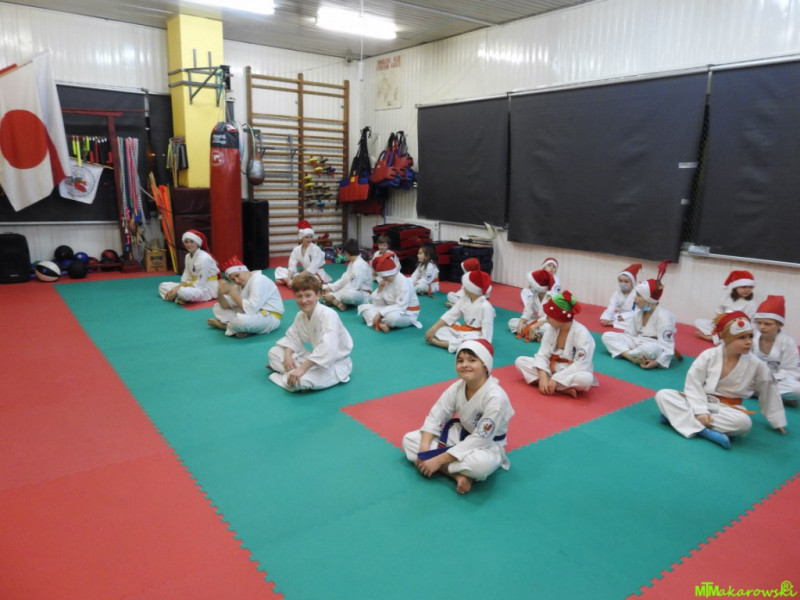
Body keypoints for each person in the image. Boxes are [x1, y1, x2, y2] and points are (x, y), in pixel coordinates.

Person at [655, 311, 787, 450]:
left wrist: (776, 419)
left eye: (750, 336)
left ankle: (677, 418)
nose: (749, 342)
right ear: (727, 339)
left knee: (743, 423)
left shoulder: (756, 364)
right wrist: (700, 411)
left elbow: (769, 388)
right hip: (700, 400)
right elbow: (693, 384)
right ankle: (705, 431)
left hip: (726, 409)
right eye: (742, 338)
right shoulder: (709, 355)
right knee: (663, 395)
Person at [401, 339, 514, 495]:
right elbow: (436, 416)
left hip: (486, 445)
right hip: (460, 434)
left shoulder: (496, 398)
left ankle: (441, 466)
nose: (464, 365)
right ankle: (457, 475)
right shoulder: (457, 387)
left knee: (479, 466)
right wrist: (423, 451)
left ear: (485, 365)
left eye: (472, 360)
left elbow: (481, 439)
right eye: (460, 361)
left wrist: (437, 460)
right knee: (409, 439)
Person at [266, 271, 353, 392]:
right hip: (317, 359)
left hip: (334, 364)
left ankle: (287, 375)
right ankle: (292, 373)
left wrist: (301, 369)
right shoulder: (300, 315)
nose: (303, 300)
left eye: (308, 295)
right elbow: (292, 337)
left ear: (318, 295)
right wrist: (287, 356)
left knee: (299, 382)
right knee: (274, 352)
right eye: (299, 296)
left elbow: (327, 348)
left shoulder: (328, 315)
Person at [514, 290, 597, 397]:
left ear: (560, 317)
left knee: (586, 379)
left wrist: (556, 378)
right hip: (551, 367)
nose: (546, 319)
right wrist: (543, 376)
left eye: (550, 316)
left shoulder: (581, 334)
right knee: (520, 361)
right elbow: (542, 354)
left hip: (570, 371)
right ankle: (561, 388)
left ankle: (552, 384)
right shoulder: (551, 329)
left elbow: (581, 364)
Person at [601, 263, 677, 369]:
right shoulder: (639, 312)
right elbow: (629, 334)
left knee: (650, 349)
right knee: (607, 336)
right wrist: (627, 341)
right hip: (638, 341)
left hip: (654, 345)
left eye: (638, 296)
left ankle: (628, 353)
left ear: (648, 299)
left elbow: (667, 347)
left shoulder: (664, 317)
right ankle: (632, 358)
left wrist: (657, 362)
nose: (635, 298)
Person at [207, 256, 284, 338]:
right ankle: (241, 329)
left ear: (245, 270)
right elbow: (225, 306)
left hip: (269, 318)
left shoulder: (258, 279)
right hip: (252, 315)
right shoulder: (239, 285)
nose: (236, 280)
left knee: (241, 321)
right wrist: (220, 292)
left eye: (237, 275)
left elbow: (251, 308)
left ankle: (225, 326)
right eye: (233, 279)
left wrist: (231, 293)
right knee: (218, 307)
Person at [426, 268, 494, 352]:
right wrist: (433, 329)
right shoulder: (464, 299)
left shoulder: (486, 307)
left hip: (476, 335)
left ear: (471, 289)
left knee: (470, 344)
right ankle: (456, 343)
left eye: (465, 286)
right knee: (439, 330)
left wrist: (481, 345)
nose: (463, 287)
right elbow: (450, 315)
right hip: (463, 331)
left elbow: (487, 335)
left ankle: (440, 343)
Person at [752, 295, 800, 407]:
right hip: (750, 378)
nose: (762, 327)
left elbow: (792, 372)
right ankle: (769, 395)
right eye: (759, 323)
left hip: (774, 381)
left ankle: (757, 393)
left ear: (780, 324)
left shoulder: (788, 343)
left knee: (797, 389)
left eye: (767, 324)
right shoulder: (750, 337)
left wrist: (769, 379)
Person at [358, 253, 421, 332]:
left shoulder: (403, 282)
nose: (383, 279)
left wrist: (380, 313)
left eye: (385, 277)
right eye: (383, 277)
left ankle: (377, 321)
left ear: (392, 273)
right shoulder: (386, 280)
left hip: (407, 312)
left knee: (392, 318)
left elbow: (401, 306)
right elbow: (377, 303)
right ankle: (380, 323)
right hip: (389, 308)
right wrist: (380, 289)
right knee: (365, 308)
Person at [158, 229, 219, 304]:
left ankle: (177, 296)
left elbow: (202, 282)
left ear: (197, 243)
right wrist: (178, 287)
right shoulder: (187, 256)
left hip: (206, 287)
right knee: (162, 285)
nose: (188, 244)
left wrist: (178, 289)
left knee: (184, 292)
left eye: (192, 242)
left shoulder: (205, 258)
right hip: (191, 284)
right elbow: (187, 274)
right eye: (186, 242)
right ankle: (178, 296)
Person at [694, 270, 757, 341]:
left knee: (750, 333)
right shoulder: (728, 297)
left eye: (750, 287)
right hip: (723, 324)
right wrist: (719, 320)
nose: (747, 290)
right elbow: (720, 310)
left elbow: (750, 322)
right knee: (698, 322)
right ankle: (720, 336)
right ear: (736, 287)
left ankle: (714, 338)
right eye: (744, 287)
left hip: (738, 327)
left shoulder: (751, 303)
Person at [274, 220, 331, 286]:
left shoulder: (316, 249)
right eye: (306, 237)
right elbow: (292, 267)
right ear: (301, 238)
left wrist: (295, 279)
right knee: (279, 270)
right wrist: (289, 279)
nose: (309, 239)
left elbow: (312, 269)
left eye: (311, 237)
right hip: (304, 274)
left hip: (316, 274)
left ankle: (291, 283)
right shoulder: (296, 249)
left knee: (309, 282)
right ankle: (290, 282)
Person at [321, 238, 373, 311]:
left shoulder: (359, 265)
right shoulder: (353, 262)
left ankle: (335, 301)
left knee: (348, 295)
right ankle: (338, 302)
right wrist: (330, 287)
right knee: (329, 292)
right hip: (354, 290)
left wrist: (333, 296)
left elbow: (353, 287)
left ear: (346, 253)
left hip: (363, 295)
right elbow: (344, 279)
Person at [507, 269, 555, 342]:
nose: (529, 286)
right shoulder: (534, 297)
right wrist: (521, 322)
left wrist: (533, 326)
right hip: (539, 322)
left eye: (532, 284)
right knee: (512, 322)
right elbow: (527, 312)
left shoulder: (552, 298)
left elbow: (548, 318)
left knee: (546, 328)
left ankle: (533, 332)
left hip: (550, 323)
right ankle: (536, 334)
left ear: (539, 286)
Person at [600, 263, 642, 330]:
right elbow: (611, 306)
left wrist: (625, 316)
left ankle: (613, 323)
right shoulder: (617, 293)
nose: (623, 283)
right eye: (620, 281)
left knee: (637, 321)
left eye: (626, 281)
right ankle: (612, 322)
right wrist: (606, 318)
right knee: (605, 315)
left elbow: (638, 311)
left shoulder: (637, 293)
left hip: (632, 315)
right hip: (620, 315)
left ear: (632, 283)